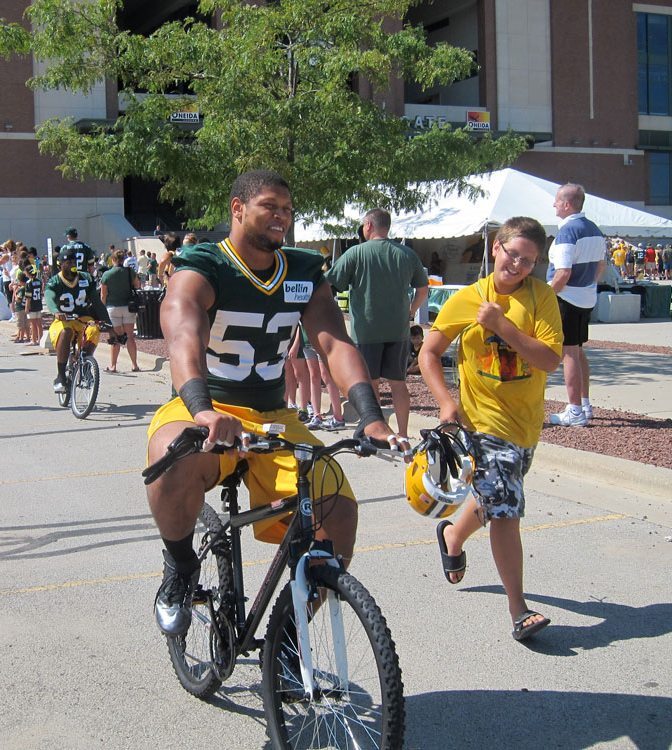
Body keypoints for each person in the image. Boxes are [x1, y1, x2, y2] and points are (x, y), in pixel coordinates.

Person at [145, 169, 406, 636]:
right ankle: (181, 568)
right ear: (238, 208)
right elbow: (181, 331)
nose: (281, 216)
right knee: (171, 458)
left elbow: (334, 342)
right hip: (206, 406)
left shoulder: (304, 270)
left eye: (287, 209)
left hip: (273, 416)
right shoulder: (204, 264)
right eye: (270, 206)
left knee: (339, 510)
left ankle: (289, 636)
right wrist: (203, 408)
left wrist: (370, 416)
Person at [419, 216, 563, 641]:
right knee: (506, 511)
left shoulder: (541, 299)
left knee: (496, 499)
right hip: (481, 424)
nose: (517, 264)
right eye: (513, 253)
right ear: (496, 248)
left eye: (528, 260)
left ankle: (452, 535)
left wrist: (502, 326)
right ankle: (519, 611)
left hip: (525, 425)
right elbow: (429, 352)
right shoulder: (466, 299)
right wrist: (447, 402)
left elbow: (550, 361)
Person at [326, 208, 429, 439]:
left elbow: (330, 283)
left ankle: (378, 432)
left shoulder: (355, 253)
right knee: (398, 384)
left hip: (367, 331)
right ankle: (402, 434)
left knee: (371, 384)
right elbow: (422, 290)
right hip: (399, 331)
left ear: (368, 225)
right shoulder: (407, 255)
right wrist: (410, 312)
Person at [547, 183, 605, 427]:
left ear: (567, 204)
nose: (554, 205)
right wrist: (587, 286)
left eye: (557, 201)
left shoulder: (567, 232)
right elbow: (601, 266)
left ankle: (575, 411)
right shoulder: (594, 229)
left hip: (566, 298)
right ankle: (584, 403)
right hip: (585, 297)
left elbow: (562, 273)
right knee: (578, 350)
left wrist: (544, 297)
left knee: (569, 351)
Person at [46, 249, 110, 393]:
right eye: (69, 262)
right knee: (66, 331)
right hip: (63, 319)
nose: (72, 265)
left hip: (82, 317)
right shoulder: (55, 281)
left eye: (74, 262)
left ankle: (85, 365)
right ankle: (61, 376)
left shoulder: (85, 278)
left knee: (93, 330)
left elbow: (97, 302)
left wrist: (109, 325)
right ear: (60, 264)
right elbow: (49, 297)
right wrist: (56, 311)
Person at [100, 249, 140, 373]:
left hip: (112, 308)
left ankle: (113, 365)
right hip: (128, 306)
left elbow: (103, 295)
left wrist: (102, 312)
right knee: (130, 337)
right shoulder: (129, 272)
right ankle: (134, 365)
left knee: (116, 338)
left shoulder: (107, 274)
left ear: (113, 260)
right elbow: (137, 285)